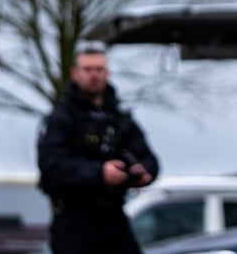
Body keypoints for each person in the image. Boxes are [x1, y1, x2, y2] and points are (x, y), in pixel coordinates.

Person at [37, 41, 160, 254]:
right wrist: (99, 173)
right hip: (73, 221)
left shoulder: (118, 118)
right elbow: (51, 165)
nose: (94, 75)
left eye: (99, 69)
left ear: (107, 73)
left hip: (113, 217)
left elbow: (148, 158)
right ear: (75, 73)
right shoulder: (62, 118)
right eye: (88, 69)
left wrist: (142, 171)